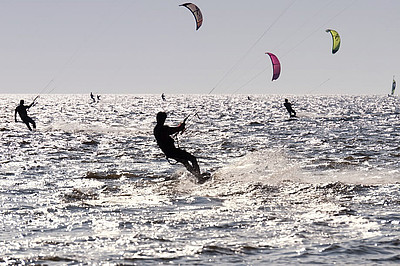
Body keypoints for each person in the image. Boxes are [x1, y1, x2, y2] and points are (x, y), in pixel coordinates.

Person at [154, 112, 208, 182]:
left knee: (185, 162)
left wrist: (180, 127)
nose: (163, 120)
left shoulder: (156, 129)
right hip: (172, 151)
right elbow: (176, 129)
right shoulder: (162, 129)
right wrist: (181, 126)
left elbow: (173, 130)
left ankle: (197, 176)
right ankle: (199, 177)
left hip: (169, 152)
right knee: (192, 159)